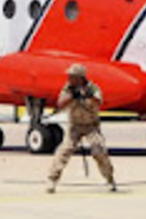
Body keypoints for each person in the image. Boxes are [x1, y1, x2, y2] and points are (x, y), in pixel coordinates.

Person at [47, 63, 116, 193]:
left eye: (72, 76)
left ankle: (109, 178)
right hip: (75, 126)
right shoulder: (68, 89)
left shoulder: (93, 88)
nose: (69, 79)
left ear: (80, 77)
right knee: (64, 151)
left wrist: (89, 95)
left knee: (99, 150)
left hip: (91, 126)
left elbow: (99, 103)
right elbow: (60, 104)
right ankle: (52, 180)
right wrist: (73, 96)